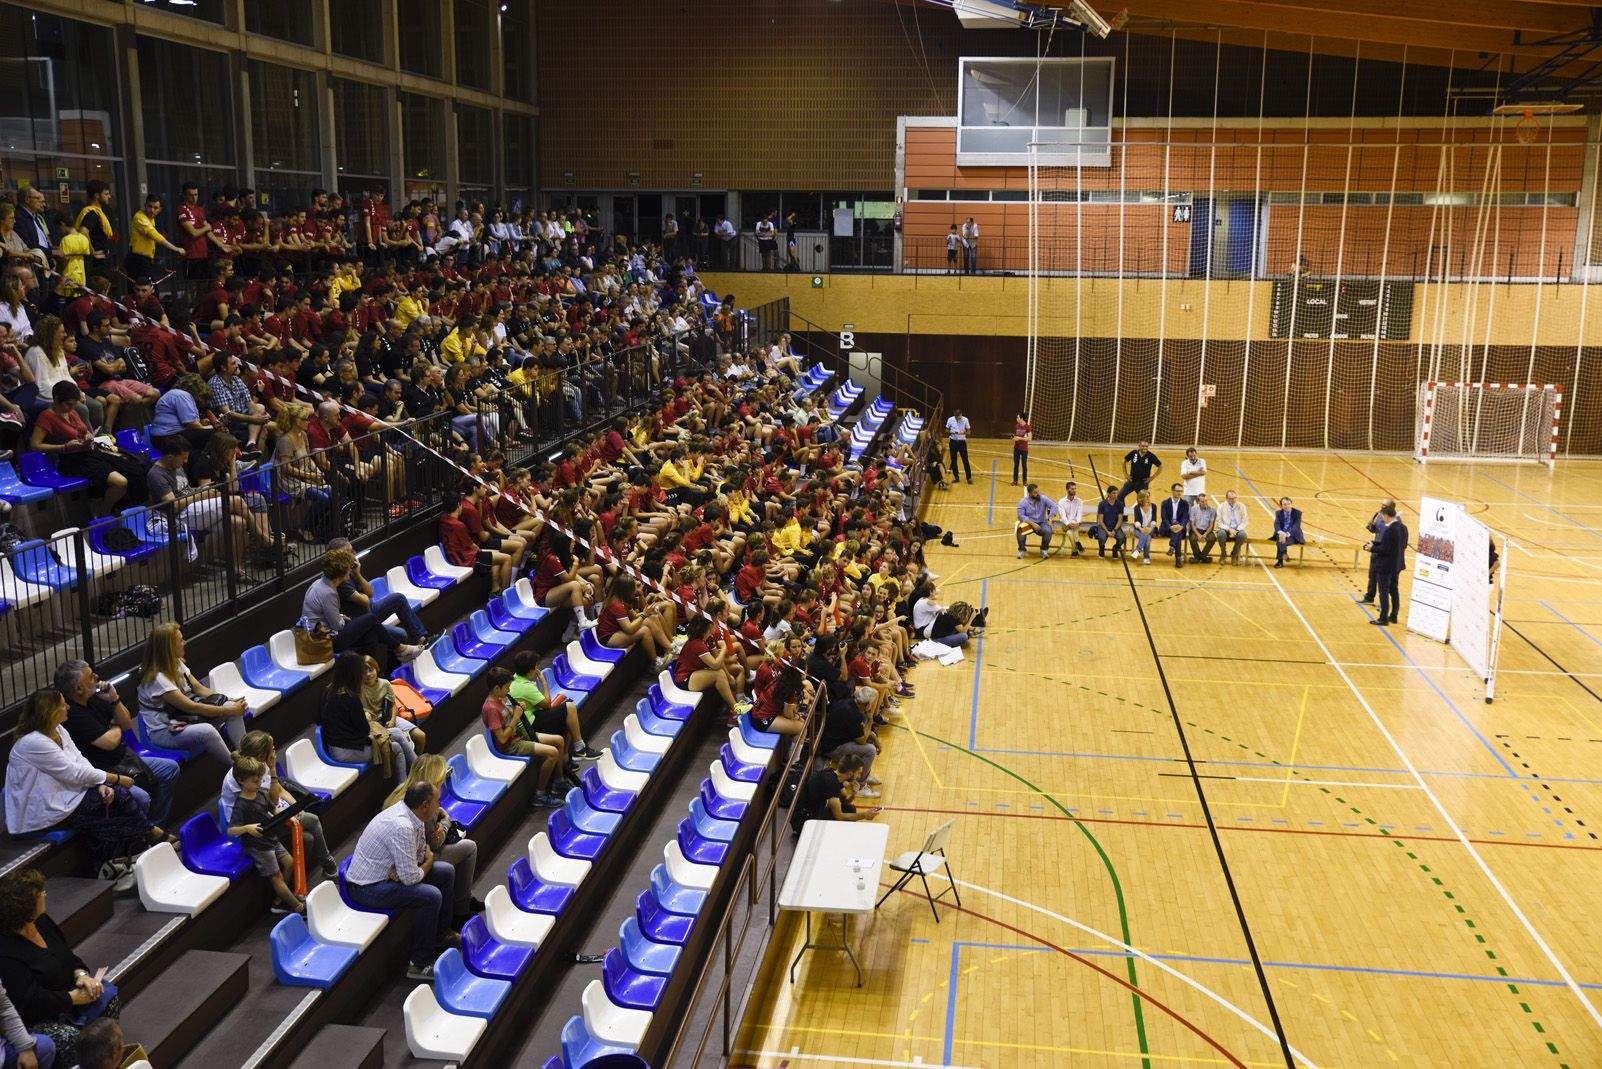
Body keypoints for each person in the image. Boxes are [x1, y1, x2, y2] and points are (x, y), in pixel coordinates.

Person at [3, 692, 159, 876]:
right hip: (41, 810)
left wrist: (100, 784)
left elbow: (79, 760)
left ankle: (119, 860)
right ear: (50, 712)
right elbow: (74, 773)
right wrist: (115, 778)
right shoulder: (33, 742)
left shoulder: (58, 729)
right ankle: (149, 836)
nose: (68, 707)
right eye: (63, 704)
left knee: (111, 803)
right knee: (119, 798)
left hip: (66, 794)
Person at [0, 870, 119, 1067]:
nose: (45, 895)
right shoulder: (6, 951)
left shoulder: (42, 921)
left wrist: (81, 975)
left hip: (68, 998)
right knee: (72, 1040)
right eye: (41, 894)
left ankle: (108, 1059)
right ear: (25, 906)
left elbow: (67, 956)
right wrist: (72, 998)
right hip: (37, 1018)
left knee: (108, 996)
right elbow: (29, 1001)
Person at [342, 781, 459, 982]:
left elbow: (420, 854)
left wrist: (419, 862)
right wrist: (428, 861)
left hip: (387, 876)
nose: (440, 806)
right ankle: (419, 963)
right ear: (424, 805)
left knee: (446, 872)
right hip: (367, 888)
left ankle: (441, 934)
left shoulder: (414, 815)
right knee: (431, 896)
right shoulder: (402, 826)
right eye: (437, 801)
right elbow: (413, 875)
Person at [56, 660, 179, 831]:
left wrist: (114, 700)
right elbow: (109, 742)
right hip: (104, 773)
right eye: (91, 677)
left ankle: (154, 826)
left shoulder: (95, 699)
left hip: (125, 758)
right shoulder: (73, 716)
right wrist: (115, 725)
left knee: (170, 769)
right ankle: (143, 835)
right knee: (141, 798)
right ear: (78, 688)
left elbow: (127, 723)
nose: (97, 677)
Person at [218, 731, 334, 883]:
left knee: (308, 838)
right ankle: (329, 866)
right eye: (271, 749)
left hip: (266, 812)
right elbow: (270, 801)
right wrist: (272, 770)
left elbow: (279, 790)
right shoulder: (243, 778)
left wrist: (297, 808)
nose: (274, 750)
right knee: (312, 820)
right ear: (260, 756)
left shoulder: (258, 765)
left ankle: (295, 883)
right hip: (250, 825)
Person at [382, 756, 484, 925]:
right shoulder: (423, 808)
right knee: (469, 848)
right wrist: (446, 820)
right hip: (412, 861)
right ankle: (461, 909)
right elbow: (435, 842)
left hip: (402, 856)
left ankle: (463, 901)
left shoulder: (402, 792)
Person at [136, 623, 248, 766]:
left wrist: (228, 701)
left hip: (182, 718)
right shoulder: (158, 678)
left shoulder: (175, 662)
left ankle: (247, 757)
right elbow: (191, 707)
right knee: (207, 730)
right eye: (180, 641)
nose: (185, 643)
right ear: (168, 647)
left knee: (233, 706)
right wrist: (227, 709)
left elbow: (198, 688)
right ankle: (240, 771)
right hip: (165, 730)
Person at [28, 382, 144, 515]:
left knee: (135, 468)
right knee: (120, 482)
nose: (71, 407)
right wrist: (65, 447)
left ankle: (116, 506)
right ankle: (104, 511)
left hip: (89, 453)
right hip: (71, 460)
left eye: (73, 404)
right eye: (68, 404)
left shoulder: (71, 412)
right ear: (56, 399)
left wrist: (88, 435)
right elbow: (35, 445)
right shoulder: (46, 417)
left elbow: (85, 430)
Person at [301, 548, 425, 662]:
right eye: (348, 569)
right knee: (370, 620)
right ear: (342, 573)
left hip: (323, 634)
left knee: (370, 634)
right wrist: (340, 618)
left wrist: (339, 616)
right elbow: (337, 626)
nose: (351, 570)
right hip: (323, 642)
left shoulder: (320, 583)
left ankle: (370, 674)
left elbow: (368, 595)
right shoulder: (328, 593)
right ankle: (400, 649)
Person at [225, 755, 305, 915]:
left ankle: (279, 899)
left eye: (260, 780)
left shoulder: (261, 793)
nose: (259, 783)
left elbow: (273, 809)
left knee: (289, 863)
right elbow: (231, 830)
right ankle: (299, 907)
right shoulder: (240, 805)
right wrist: (247, 828)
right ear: (241, 780)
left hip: (271, 838)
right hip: (258, 846)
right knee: (276, 877)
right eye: (255, 781)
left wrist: (284, 814)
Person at [318, 652, 416, 780]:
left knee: (396, 733)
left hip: (338, 745)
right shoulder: (351, 697)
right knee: (396, 747)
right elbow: (364, 731)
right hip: (346, 751)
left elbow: (319, 719)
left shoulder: (329, 690)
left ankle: (415, 773)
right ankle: (408, 781)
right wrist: (366, 718)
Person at [480, 668, 565, 807]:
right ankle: (540, 795)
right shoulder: (490, 709)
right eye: (507, 687)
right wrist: (516, 717)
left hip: (519, 736)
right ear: (496, 688)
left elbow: (507, 717)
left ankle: (559, 781)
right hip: (511, 746)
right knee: (553, 753)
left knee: (559, 741)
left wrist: (518, 710)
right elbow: (501, 739)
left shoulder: (500, 698)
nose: (508, 690)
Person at [789, 752, 878, 833]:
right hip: (803, 822)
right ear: (850, 774)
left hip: (810, 809)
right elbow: (839, 816)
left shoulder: (833, 774)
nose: (859, 776)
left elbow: (844, 801)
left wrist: (854, 793)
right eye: (858, 773)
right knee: (847, 815)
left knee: (849, 808)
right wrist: (865, 815)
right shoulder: (831, 784)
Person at [672, 615, 740, 709]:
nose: (716, 625)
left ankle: (735, 705)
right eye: (714, 623)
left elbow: (718, 660)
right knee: (719, 674)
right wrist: (724, 649)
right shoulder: (697, 644)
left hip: (697, 672)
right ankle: (735, 709)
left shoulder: (709, 639)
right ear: (709, 627)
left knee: (724, 674)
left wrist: (729, 677)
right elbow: (716, 665)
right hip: (685, 678)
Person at [1365, 505, 1407, 625]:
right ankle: (1394, 615)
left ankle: (1383, 618)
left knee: (1383, 591)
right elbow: (1399, 546)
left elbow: (1385, 549)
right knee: (1394, 589)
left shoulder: (1390, 530)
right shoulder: (1402, 528)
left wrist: (1372, 547)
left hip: (1387, 565)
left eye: (1383, 516)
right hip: (1397, 564)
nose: (1382, 519)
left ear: (1387, 516)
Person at [1360, 499, 1396, 604]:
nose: (1381, 507)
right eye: (1381, 505)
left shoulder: (1394, 520)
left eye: (1384, 506)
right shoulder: (1380, 515)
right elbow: (1375, 530)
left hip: (1385, 551)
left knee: (1383, 580)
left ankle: (1384, 604)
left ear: (1391, 508)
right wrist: (1371, 526)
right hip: (1375, 548)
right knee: (1372, 574)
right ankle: (1369, 597)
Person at [1014, 483, 1053, 560]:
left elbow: (1054, 506)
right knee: (1020, 530)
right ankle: (1021, 550)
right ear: (1030, 493)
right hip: (1029, 524)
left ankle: (1044, 550)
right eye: (1035, 492)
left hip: (1041, 523)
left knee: (1048, 531)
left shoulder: (1043, 498)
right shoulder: (1023, 502)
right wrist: (1033, 524)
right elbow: (1021, 516)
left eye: (1038, 491)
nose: (1038, 494)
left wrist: (1050, 516)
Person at [1116, 441, 1161, 508]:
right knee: (1120, 496)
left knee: (1143, 500)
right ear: (1139, 446)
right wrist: (1125, 474)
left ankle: (1139, 517)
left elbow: (1160, 466)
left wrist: (1152, 477)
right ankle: (1124, 517)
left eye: (1146, 446)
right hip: (1132, 481)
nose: (1145, 448)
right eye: (1143, 446)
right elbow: (1124, 461)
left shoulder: (1150, 456)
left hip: (1143, 483)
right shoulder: (1134, 453)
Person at [1160, 483, 1191, 569]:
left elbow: (1185, 517)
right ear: (1172, 491)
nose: (1179, 493)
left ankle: (1172, 547)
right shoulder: (1165, 503)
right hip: (1167, 528)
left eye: (1181, 491)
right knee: (1178, 533)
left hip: (1179, 528)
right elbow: (1164, 518)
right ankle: (1178, 557)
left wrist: (1181, 526)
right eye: (1177, 491)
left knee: (1178, 531)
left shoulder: (1185, 503)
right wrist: (1171, 527)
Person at [1091, 484, 1125, 558]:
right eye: (1114, 493)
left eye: (1117, 493)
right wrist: (1107, 531)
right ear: (1108, 494)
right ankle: (1101, 548)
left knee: (1122, 538)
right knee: (1102, 538)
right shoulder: (1102, 504)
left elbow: (1120, 519)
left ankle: (1115, 549)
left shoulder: (1120, 504)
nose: (1116, 495)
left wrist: (1115, 530)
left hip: (1115, 527)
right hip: (1104, 526)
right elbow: (1100, 520)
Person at [1054, 480, 1085, 557]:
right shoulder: (1061, 502)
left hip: (1075, 524)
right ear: (1067, 490)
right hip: (1065, 524)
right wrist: (1068, 524)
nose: (1074, 490)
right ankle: (1077, 542)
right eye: (1072, 489)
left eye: (1075, 489)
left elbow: (1079, 514)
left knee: (1069, 532)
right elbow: (1063, 516)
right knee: (1071, 529)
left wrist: (1077, 523)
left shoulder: (1079, 501)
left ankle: (1075, 550)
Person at [1216, 489, 1249, 564]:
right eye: (1231, 499)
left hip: (1238, 529)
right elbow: (1219, 522)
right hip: (1225, 529)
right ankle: (1223, 554)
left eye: (1235, 498)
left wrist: (1237, 530)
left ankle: (1234, 554)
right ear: (1226, 499)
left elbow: (1245, 521)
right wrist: (1229, 529)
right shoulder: (1221, 507)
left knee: (1243, 535)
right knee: (1221, 534)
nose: (1233, 500)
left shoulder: (1242, 506)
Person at [1126, 490, 1157, 565]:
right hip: (1139, 528)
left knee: (1147, 535)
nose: (1148, 498)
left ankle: (1137, 550)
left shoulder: (1153, 506)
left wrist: (1150, 529)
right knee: (1147, 538)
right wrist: (1141, 529)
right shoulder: (1137, 507)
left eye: (1149, 496)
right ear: (1141, 498)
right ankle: (1146, 557)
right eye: (1146, 496)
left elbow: (1154, 520)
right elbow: (1136, 521)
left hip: (1151, 528)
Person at [1272, 496, 1304, 569]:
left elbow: (1296, 526)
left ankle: (1281, 560)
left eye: (1289, 504)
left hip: (1293, 535)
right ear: (1281, 506)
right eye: (1285, 504)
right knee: (1280, 538)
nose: (1287, 506)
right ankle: (1284, 554)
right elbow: (1276, 524)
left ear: (1291, 504)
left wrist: (1286, 534)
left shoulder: (1297, 513)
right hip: (1282, 535)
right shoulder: (1278, 513)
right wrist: (1281, 532)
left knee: (1280, 540)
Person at [1187, 491, 1218, 564]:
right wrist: (1198, 535)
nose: (1205, 503)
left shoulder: (1212, 510)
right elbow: (1192, 524)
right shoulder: (1193, 509)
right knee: (1192, 538)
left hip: (1207, 530)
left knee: (1212, 538)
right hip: (1196, 530)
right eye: (1202, 501)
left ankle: (1200, 557)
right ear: (1198, 502)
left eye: (1206, 501)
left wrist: (1205, 534)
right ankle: (1202, 558)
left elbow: (1211, 525)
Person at [944, 409, 972, 484]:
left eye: (959, 417)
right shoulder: (950, 419)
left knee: (965, 459)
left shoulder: (965, 420)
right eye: (956, 417)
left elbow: (969, 432)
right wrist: (953, 432)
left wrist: (963, 433)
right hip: (953, 442)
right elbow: (946, 430)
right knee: (953, 460)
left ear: (961, 415)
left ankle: (969, 478)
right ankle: (956, 477)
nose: (957, 419)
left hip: (962, 442)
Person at [1011, 412, 1032, 485]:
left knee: (1024, 465)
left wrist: (1019, 438)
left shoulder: (1027, 427)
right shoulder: (1016, 426)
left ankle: (1025, 481)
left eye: (1018, 417)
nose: (1017, 419)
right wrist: (1013, 438)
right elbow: (1015, 436)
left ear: (1022, 418)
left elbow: (1029, 438)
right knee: (1016, 465)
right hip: (1016, 449)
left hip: (1024, 449)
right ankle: (1015, 480)